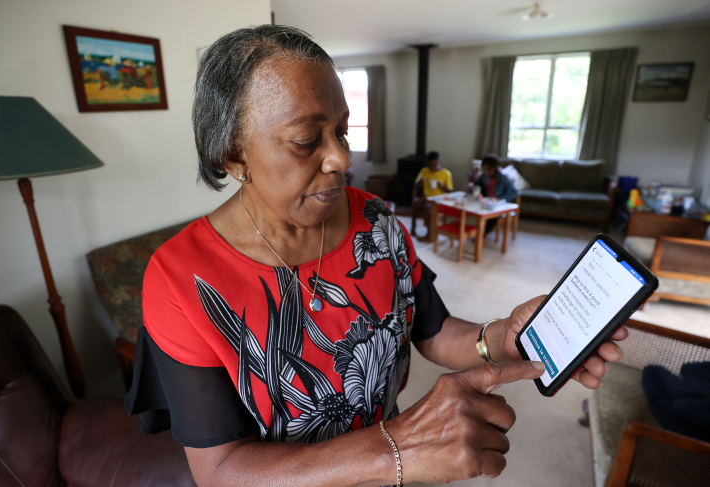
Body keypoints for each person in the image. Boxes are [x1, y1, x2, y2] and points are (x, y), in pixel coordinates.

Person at [124, 25, 627, 487]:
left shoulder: (376, 220)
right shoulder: (180, 277)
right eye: (306, 140)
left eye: (342, 131)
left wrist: (499, 336)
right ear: (234, 157)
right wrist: (397, 447)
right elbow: (221, 470)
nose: (342, 158)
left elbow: (430, 331)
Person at [411, 151, 453, 241]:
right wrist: (420, 182)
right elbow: (415, 185)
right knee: (417, 201)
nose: (432, 167)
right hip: (426, 198)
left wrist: (441, 186)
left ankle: (429, 235)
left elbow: (449, 191)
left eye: (435, 164)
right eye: (430, 165)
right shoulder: (424, 171)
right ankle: (413, 227)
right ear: (427, 163)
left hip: (439, 200)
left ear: (439, 162)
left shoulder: (446, 173)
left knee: (425, 205)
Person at [475, 154, 518, 234]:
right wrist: (473, 187)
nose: (486, 172)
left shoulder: (503, 178)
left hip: (497, 204)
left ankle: (484, 233)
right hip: (484, 201)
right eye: (484, 169)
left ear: (496, 167)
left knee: (493, 214)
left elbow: (515, 192)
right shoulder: (483, 176)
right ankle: (477, 231)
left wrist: (500, 198)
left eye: (489, 169)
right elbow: (476, 187)